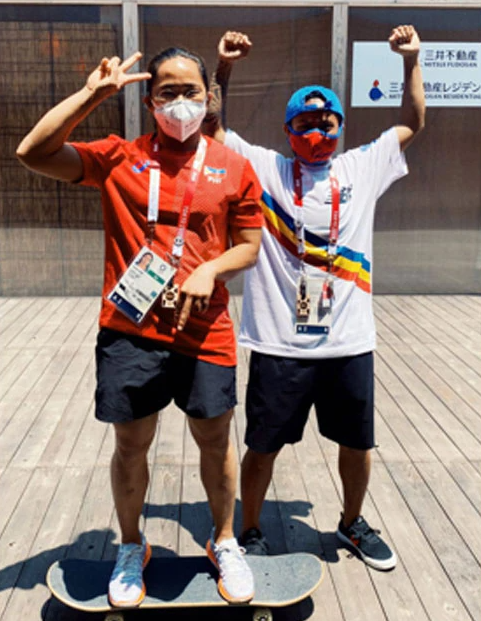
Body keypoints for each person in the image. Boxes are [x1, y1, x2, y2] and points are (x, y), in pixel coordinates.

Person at [17, 46, 264, 605]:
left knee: (215, 439)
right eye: (167, 92)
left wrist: (210, 268)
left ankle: (224, 540)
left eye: (190, 91)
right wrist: (93, 94)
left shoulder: (233, 165)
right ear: (149, 100)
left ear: (209, 96)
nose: (179, 102)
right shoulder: (118, 157)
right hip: (130, 331)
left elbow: (249, 246)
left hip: (206, 332)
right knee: (132, 445)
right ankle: (132, 546)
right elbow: (32, 152)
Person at [205, 25, 425, 570]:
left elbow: (412, 123)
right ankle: (251, 531)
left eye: (326, 122)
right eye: (304, 123)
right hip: (280, 344)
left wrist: (411, 62)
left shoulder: (361, 166)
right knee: (263, 447)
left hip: (349, 341)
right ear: (287, 130)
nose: (316, 131)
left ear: (340, 127)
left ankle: (351, 523)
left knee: (358, 445)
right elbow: (213, 129)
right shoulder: (267, 169)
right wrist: (223, 70)